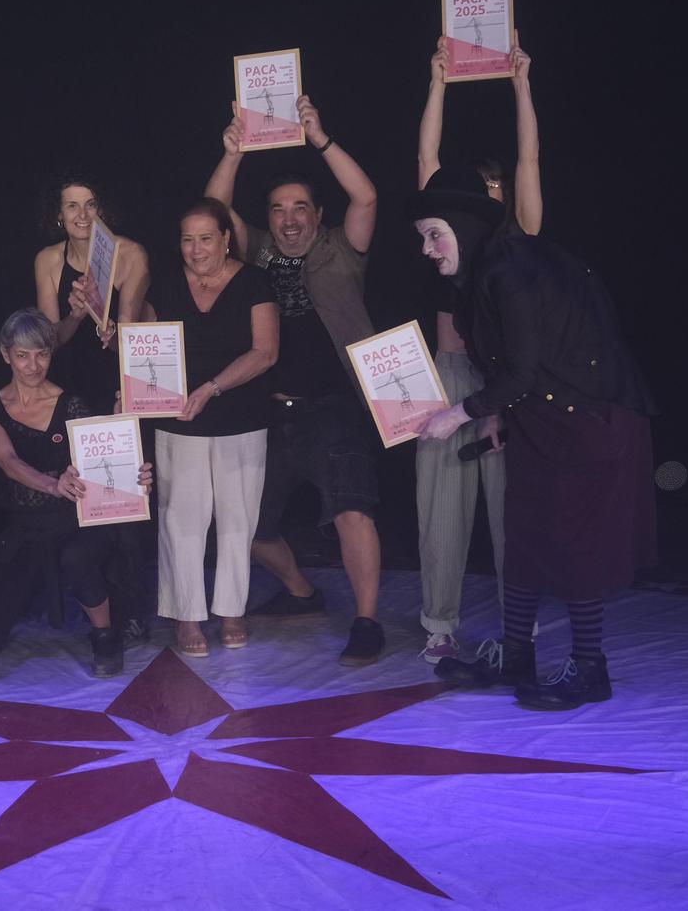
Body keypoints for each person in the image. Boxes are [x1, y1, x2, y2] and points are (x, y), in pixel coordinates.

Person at [412, 168, 655, 709]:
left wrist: (456, 416)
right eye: (423, 237)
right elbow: (518, 369)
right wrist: (497, 417)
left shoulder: (511, 270)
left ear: (466, 227)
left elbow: (523, 369)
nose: (427, 249)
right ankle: (516, 653)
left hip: (592, 420)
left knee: (577, 547)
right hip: (544, 419)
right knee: (522, 537)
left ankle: (591, 669)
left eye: (435, 234)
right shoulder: (482, 275)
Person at [205, 95, 387, 666]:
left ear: (316, 214)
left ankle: (366, 622)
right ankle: (302, 592)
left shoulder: (343, 249)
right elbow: (212, 212)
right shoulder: (254, 252)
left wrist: (321, 140)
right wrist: (232, 154)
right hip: (267, 412)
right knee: (247, 524)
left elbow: (367, 196)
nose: (289, 217)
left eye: (300, 207)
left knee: (352, 508)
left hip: (333, 407)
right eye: (279, 208)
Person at [412, 36, 543, 664]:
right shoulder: (444, 233)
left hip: (506, 383)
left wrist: (521, 84)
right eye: (481, 185)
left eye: (496, 186)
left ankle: (522, 619)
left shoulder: (516, 240)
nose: (490, 193)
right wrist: (438, 83)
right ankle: (439, 621)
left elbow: (530, 159)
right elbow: (427, 158)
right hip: (448, 377)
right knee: (440, 508)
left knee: (511, 506)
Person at [0, 309, 153, 677]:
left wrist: (132, 470)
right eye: (22, 355)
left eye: (41, 353)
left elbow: (102, 460)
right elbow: (7, 460)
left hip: (74, 520)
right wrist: (51, 484)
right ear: (6, 354)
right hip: (22, 524)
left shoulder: (71, 403)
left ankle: (105, 635)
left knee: (77, 558)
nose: (33, 365)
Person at [143, 199, 278, 656]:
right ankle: (187, 616)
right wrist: (132, 382)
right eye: (187, 239)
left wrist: (211, 388)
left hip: (240, 418)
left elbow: (265, 353)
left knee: (238, 520)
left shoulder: (255, 282)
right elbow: (144, 350)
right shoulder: (162, 286)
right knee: (182, 521)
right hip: (178, 420)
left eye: (206, 238)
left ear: (225, 238)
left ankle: (232, 610)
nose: (196, 248)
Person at [33, 175, 150, 411]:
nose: (83, 215)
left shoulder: (132, 255)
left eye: (91, 204)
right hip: (69, 385)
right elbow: (49, 345)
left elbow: (130, 347)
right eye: (72, 206)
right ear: (59, 213)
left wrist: (105, 323)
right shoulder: (47, 259)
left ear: (102, 209)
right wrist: (75, 316)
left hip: (119, 386)